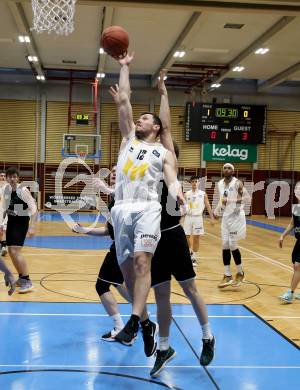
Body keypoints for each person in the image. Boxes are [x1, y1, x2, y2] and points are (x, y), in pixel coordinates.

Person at [111, 53, 185, 347]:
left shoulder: (164, 151)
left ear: (155, 127)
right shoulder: (128, 138)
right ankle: (144, 323)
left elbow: (171, 176)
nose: (138, 119)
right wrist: (125, 66)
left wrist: (177, 189)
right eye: (138, 118)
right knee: (128, 275)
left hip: (147, 209)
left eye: (145, 118)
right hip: (121, 210)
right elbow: (125, 99)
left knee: (143, 262)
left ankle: (131, 321)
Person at [150, 71, 215, 377]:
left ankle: (207, 336)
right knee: (161, 295)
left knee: (189, 289)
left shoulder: (168, 164)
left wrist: (163, 92)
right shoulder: (144, 165)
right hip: (152, 239)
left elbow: (163, 128)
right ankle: (164, 348)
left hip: (173, 235)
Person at [73, 165, 157, 356]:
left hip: (127, 249)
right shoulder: (113, 200)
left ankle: (122, 327)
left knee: (101, 286)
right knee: (119, 284)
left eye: (116, 174)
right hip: (119, 247)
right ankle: (143, 320)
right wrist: (84, 230)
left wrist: (106, 188)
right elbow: (107, 231)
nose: (112, 177)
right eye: (111, 175)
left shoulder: (128, 197)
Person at [0, 167, 37, 293]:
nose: (12, 179)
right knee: (10, 251)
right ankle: (21, 278)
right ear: (7, 178)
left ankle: (28, 281)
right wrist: (2, 225)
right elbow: (5, 208)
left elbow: (34, 209)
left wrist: (32, 226)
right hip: (11, 222)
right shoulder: (5, 189)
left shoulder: (23, 190)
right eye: (10, 176)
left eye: (14, 176)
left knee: (16, 251)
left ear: (18, 178)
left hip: (21, 223)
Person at [214, 163, 250, 288]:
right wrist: (217, 210)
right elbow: (222, 199)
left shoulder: (237, 183)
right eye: (225, 168)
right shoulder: (219, 183)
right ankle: (227, 275)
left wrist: (231, 200)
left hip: (237, 216)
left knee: (233, 244)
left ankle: (240, 273)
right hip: (226, 217)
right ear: (222, 170)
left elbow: (247, 198)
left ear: (233, 171)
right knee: (224, 245)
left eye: (229, 168)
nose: (227, 169)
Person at [183, 175, 215, 267]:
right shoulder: (186, 194)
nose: (194, 183)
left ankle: (194, 258)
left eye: (196, 181)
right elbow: (183, 207)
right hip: (188, 217)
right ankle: (190, 253)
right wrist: (180, 217)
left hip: (198, 218)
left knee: (196, 238)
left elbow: (208, 206)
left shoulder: (203, 194)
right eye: (193, 182)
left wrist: (212, 218)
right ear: (190, 183)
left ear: (199, 183)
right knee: (186, 237)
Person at [278, 182, 300, 303]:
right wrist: (282, 236)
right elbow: (292, 224)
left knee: (298, 266)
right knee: (296, 266)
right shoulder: (297, 207)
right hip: (299, 241)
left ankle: (290, 293)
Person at [0, 171, 8, 256]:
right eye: (1, 176)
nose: (2, 177)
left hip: (5, 211)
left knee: (4, 229)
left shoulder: (8, 187)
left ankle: (4, 247)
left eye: (4, 176)